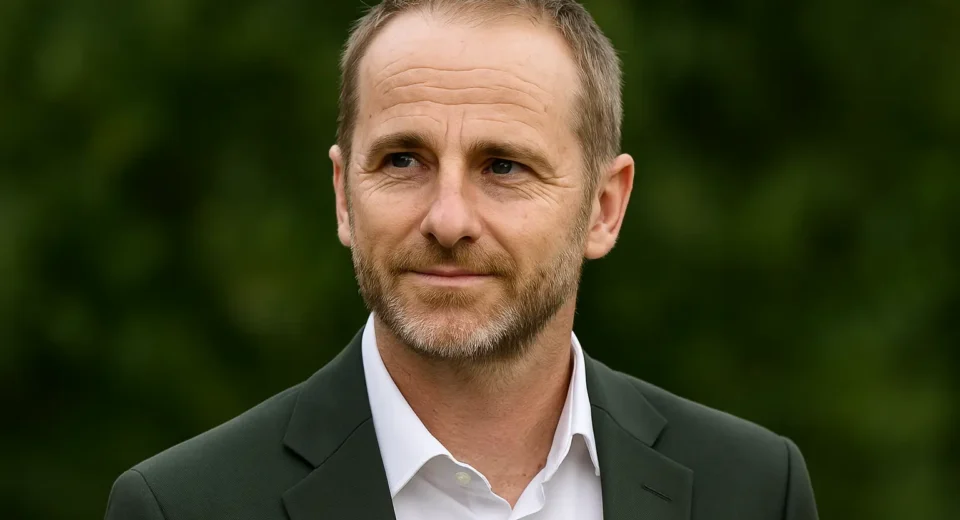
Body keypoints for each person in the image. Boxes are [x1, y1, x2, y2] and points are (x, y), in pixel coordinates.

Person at [104, 1, 818, 519]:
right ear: (343, 197)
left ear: (604, 207)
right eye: (403, 159)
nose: (448, 219)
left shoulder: (752, 488)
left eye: (504, 166)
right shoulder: (184, 506)